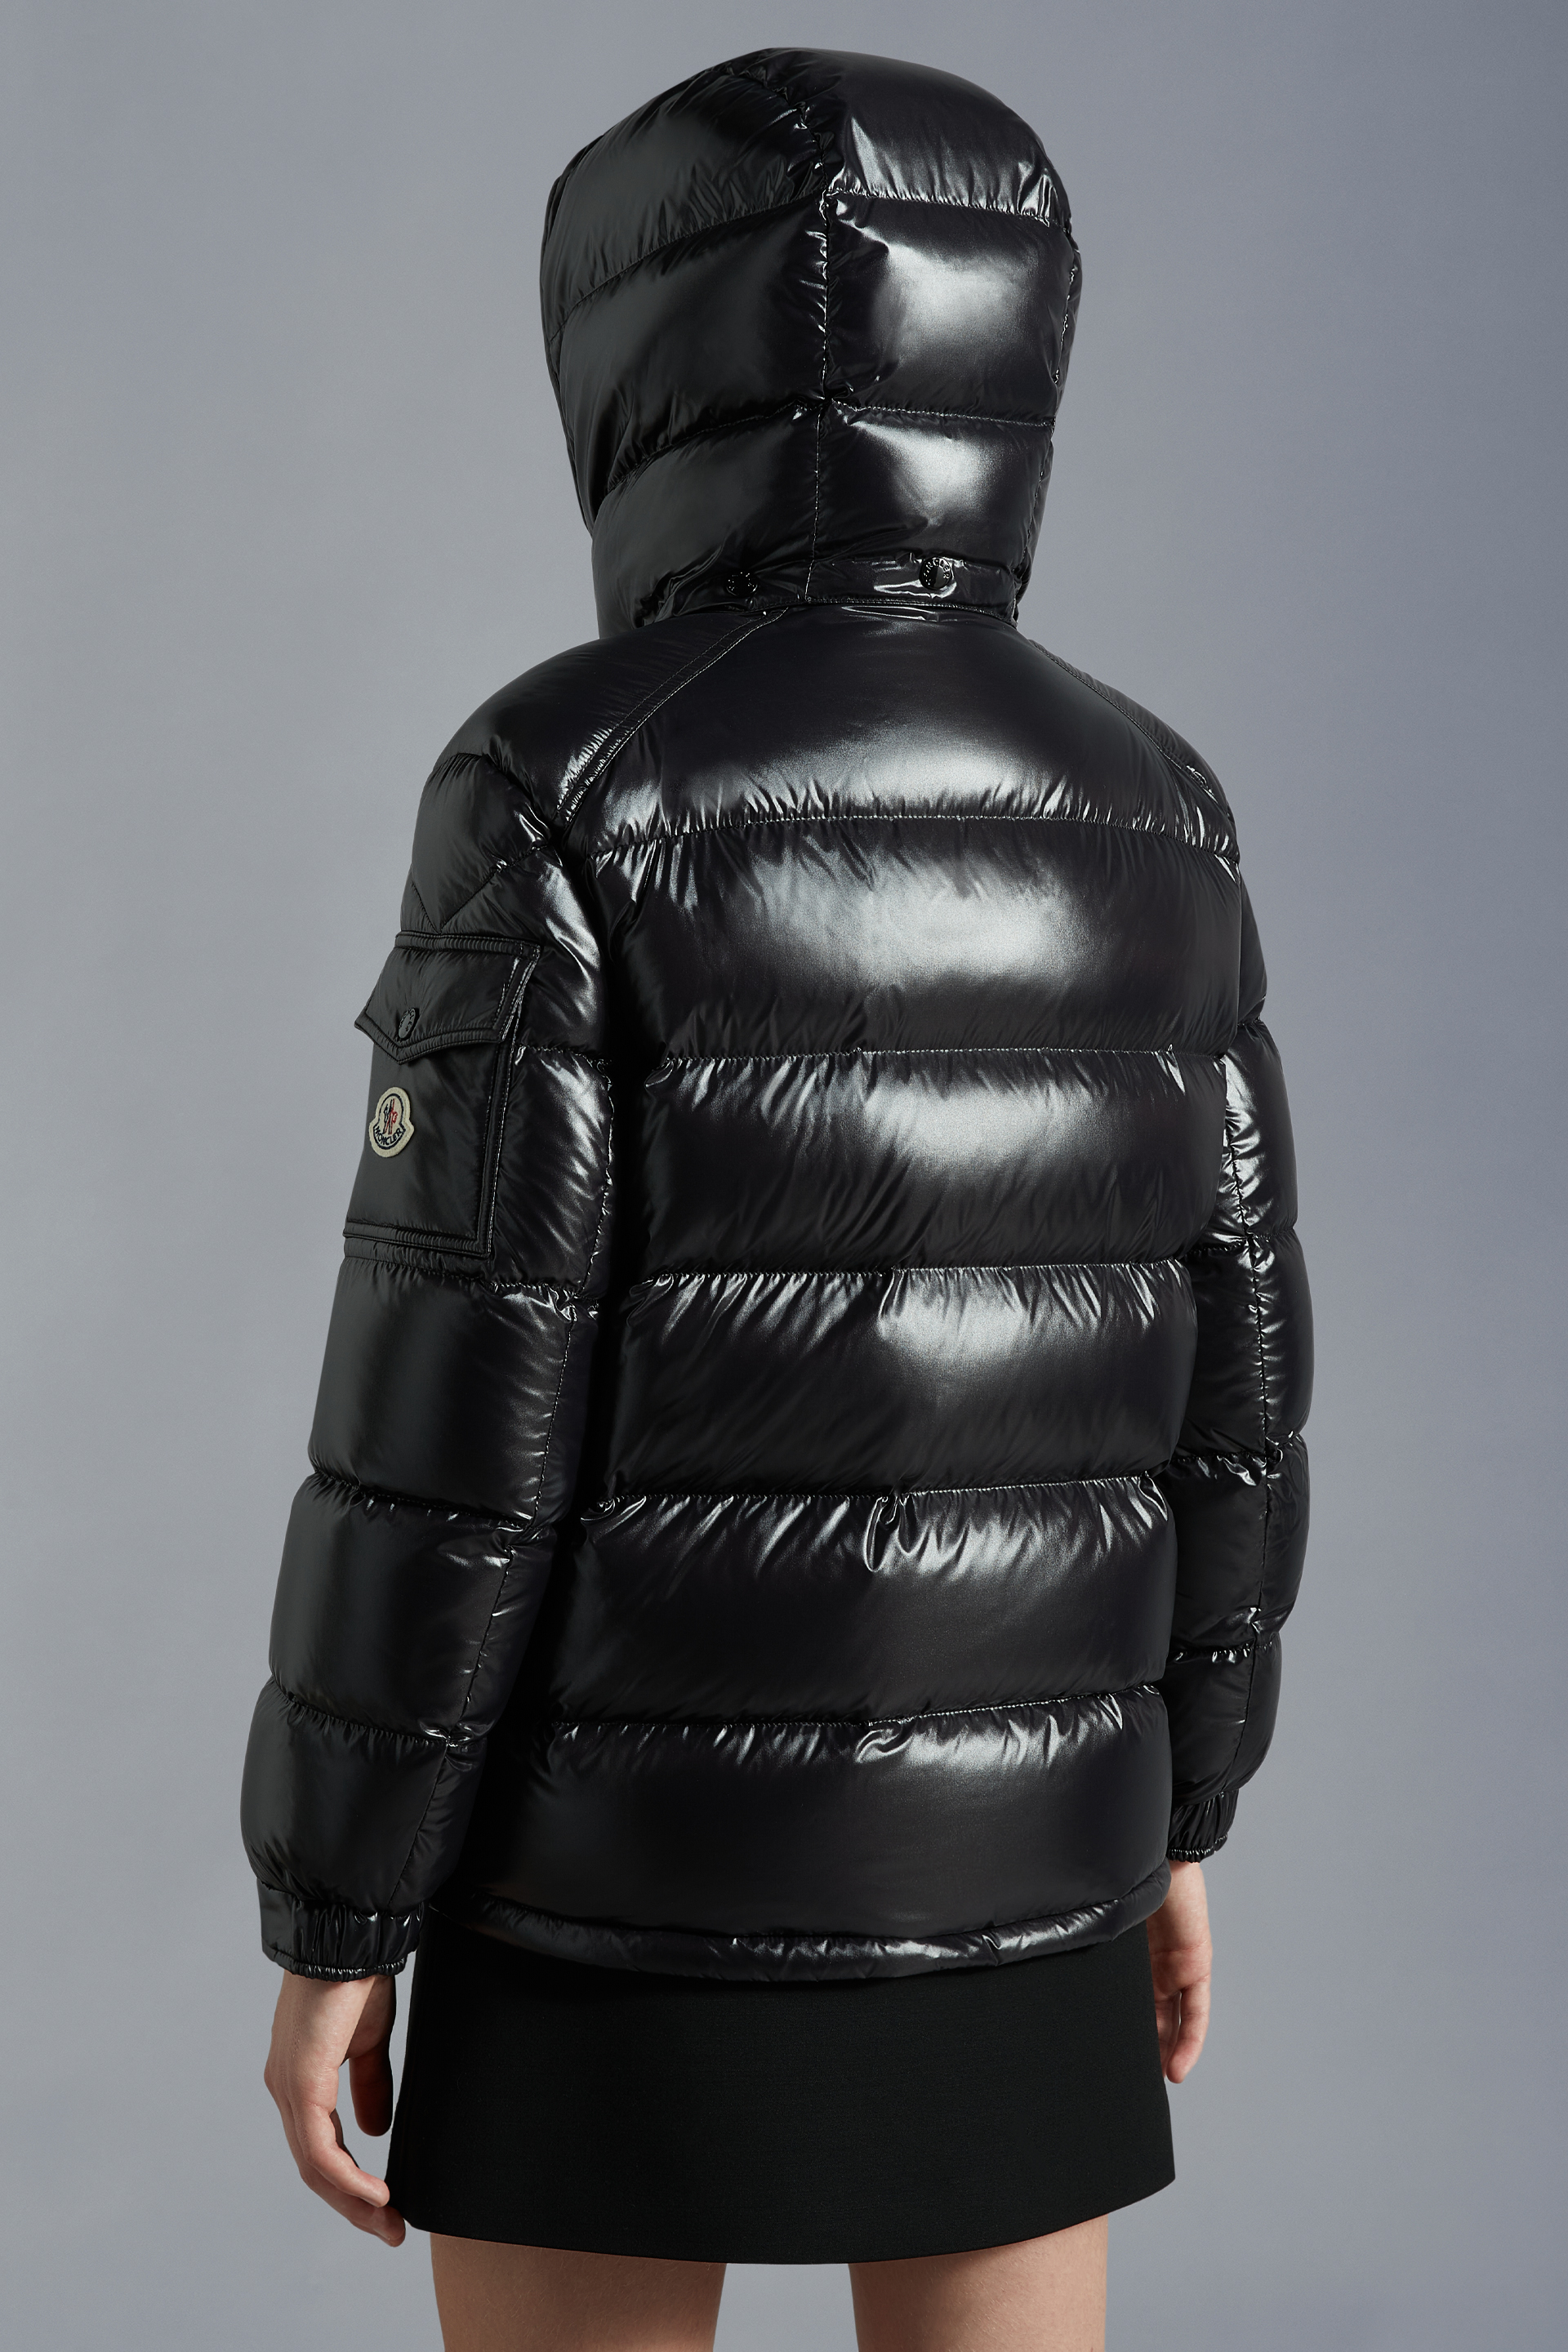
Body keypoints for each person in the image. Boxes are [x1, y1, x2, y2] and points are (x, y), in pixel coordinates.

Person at [243, 45, 1312, 2352]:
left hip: (612, 1898)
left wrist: (336, 1912)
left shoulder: (558, 779)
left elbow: (450, 1413)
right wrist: (1180, 1815)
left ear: (635, 358)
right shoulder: (1160, 806)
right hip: (1032, 1865)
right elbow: (1238, 1385)